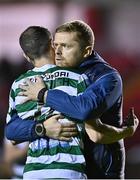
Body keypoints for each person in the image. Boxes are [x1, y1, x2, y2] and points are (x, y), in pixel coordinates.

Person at [5, 22, 139, 179]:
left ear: (86, 50)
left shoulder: (106, 77)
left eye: (66, 46)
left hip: (102, 172)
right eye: (56, 45)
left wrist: (43, 94)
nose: (58, 52)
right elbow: (11, 132)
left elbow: (85, 111)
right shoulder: (66, 74)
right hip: (69, 170)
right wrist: (42, 128)